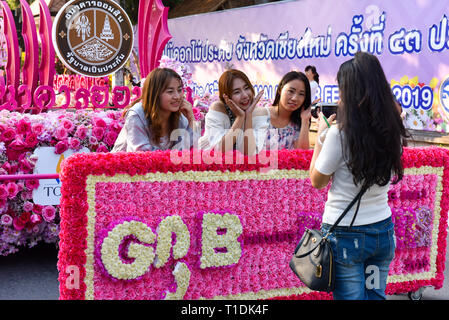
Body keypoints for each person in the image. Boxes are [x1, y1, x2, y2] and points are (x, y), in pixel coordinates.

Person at [309, 51, 409, 300]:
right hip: (383, 233)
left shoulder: (338, 136)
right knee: (375, 297)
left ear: (351, 93)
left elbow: (317, 181)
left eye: (342, 88)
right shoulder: (392, 130)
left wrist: (321, 137)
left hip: (346, 237)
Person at [112, 68, 198, 152]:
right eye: (170, 91)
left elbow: (190, 150)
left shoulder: (178, 116)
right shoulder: (136, 115)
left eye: (179, 90)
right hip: (127, 165)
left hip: (163, 165)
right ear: (155, 94)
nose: (177, 97)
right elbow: (141, 154)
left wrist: (191, 118)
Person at [198, 69, 268, 156]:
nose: (245, 95)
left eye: (246, 88)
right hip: (210, 164)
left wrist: (248, 115)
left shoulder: (259, 113)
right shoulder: (218, 108)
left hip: (244, 168)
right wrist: (240, 117)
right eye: (237, 92)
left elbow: (250, 153)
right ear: (226, 97)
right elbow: (221, 150)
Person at [264, 71, 312, 150]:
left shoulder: (297, 123)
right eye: (291, 91)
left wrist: (305, 121)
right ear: (280, 90)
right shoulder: (261, 115)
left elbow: (302, 154)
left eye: (301, 94)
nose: (295, 98)